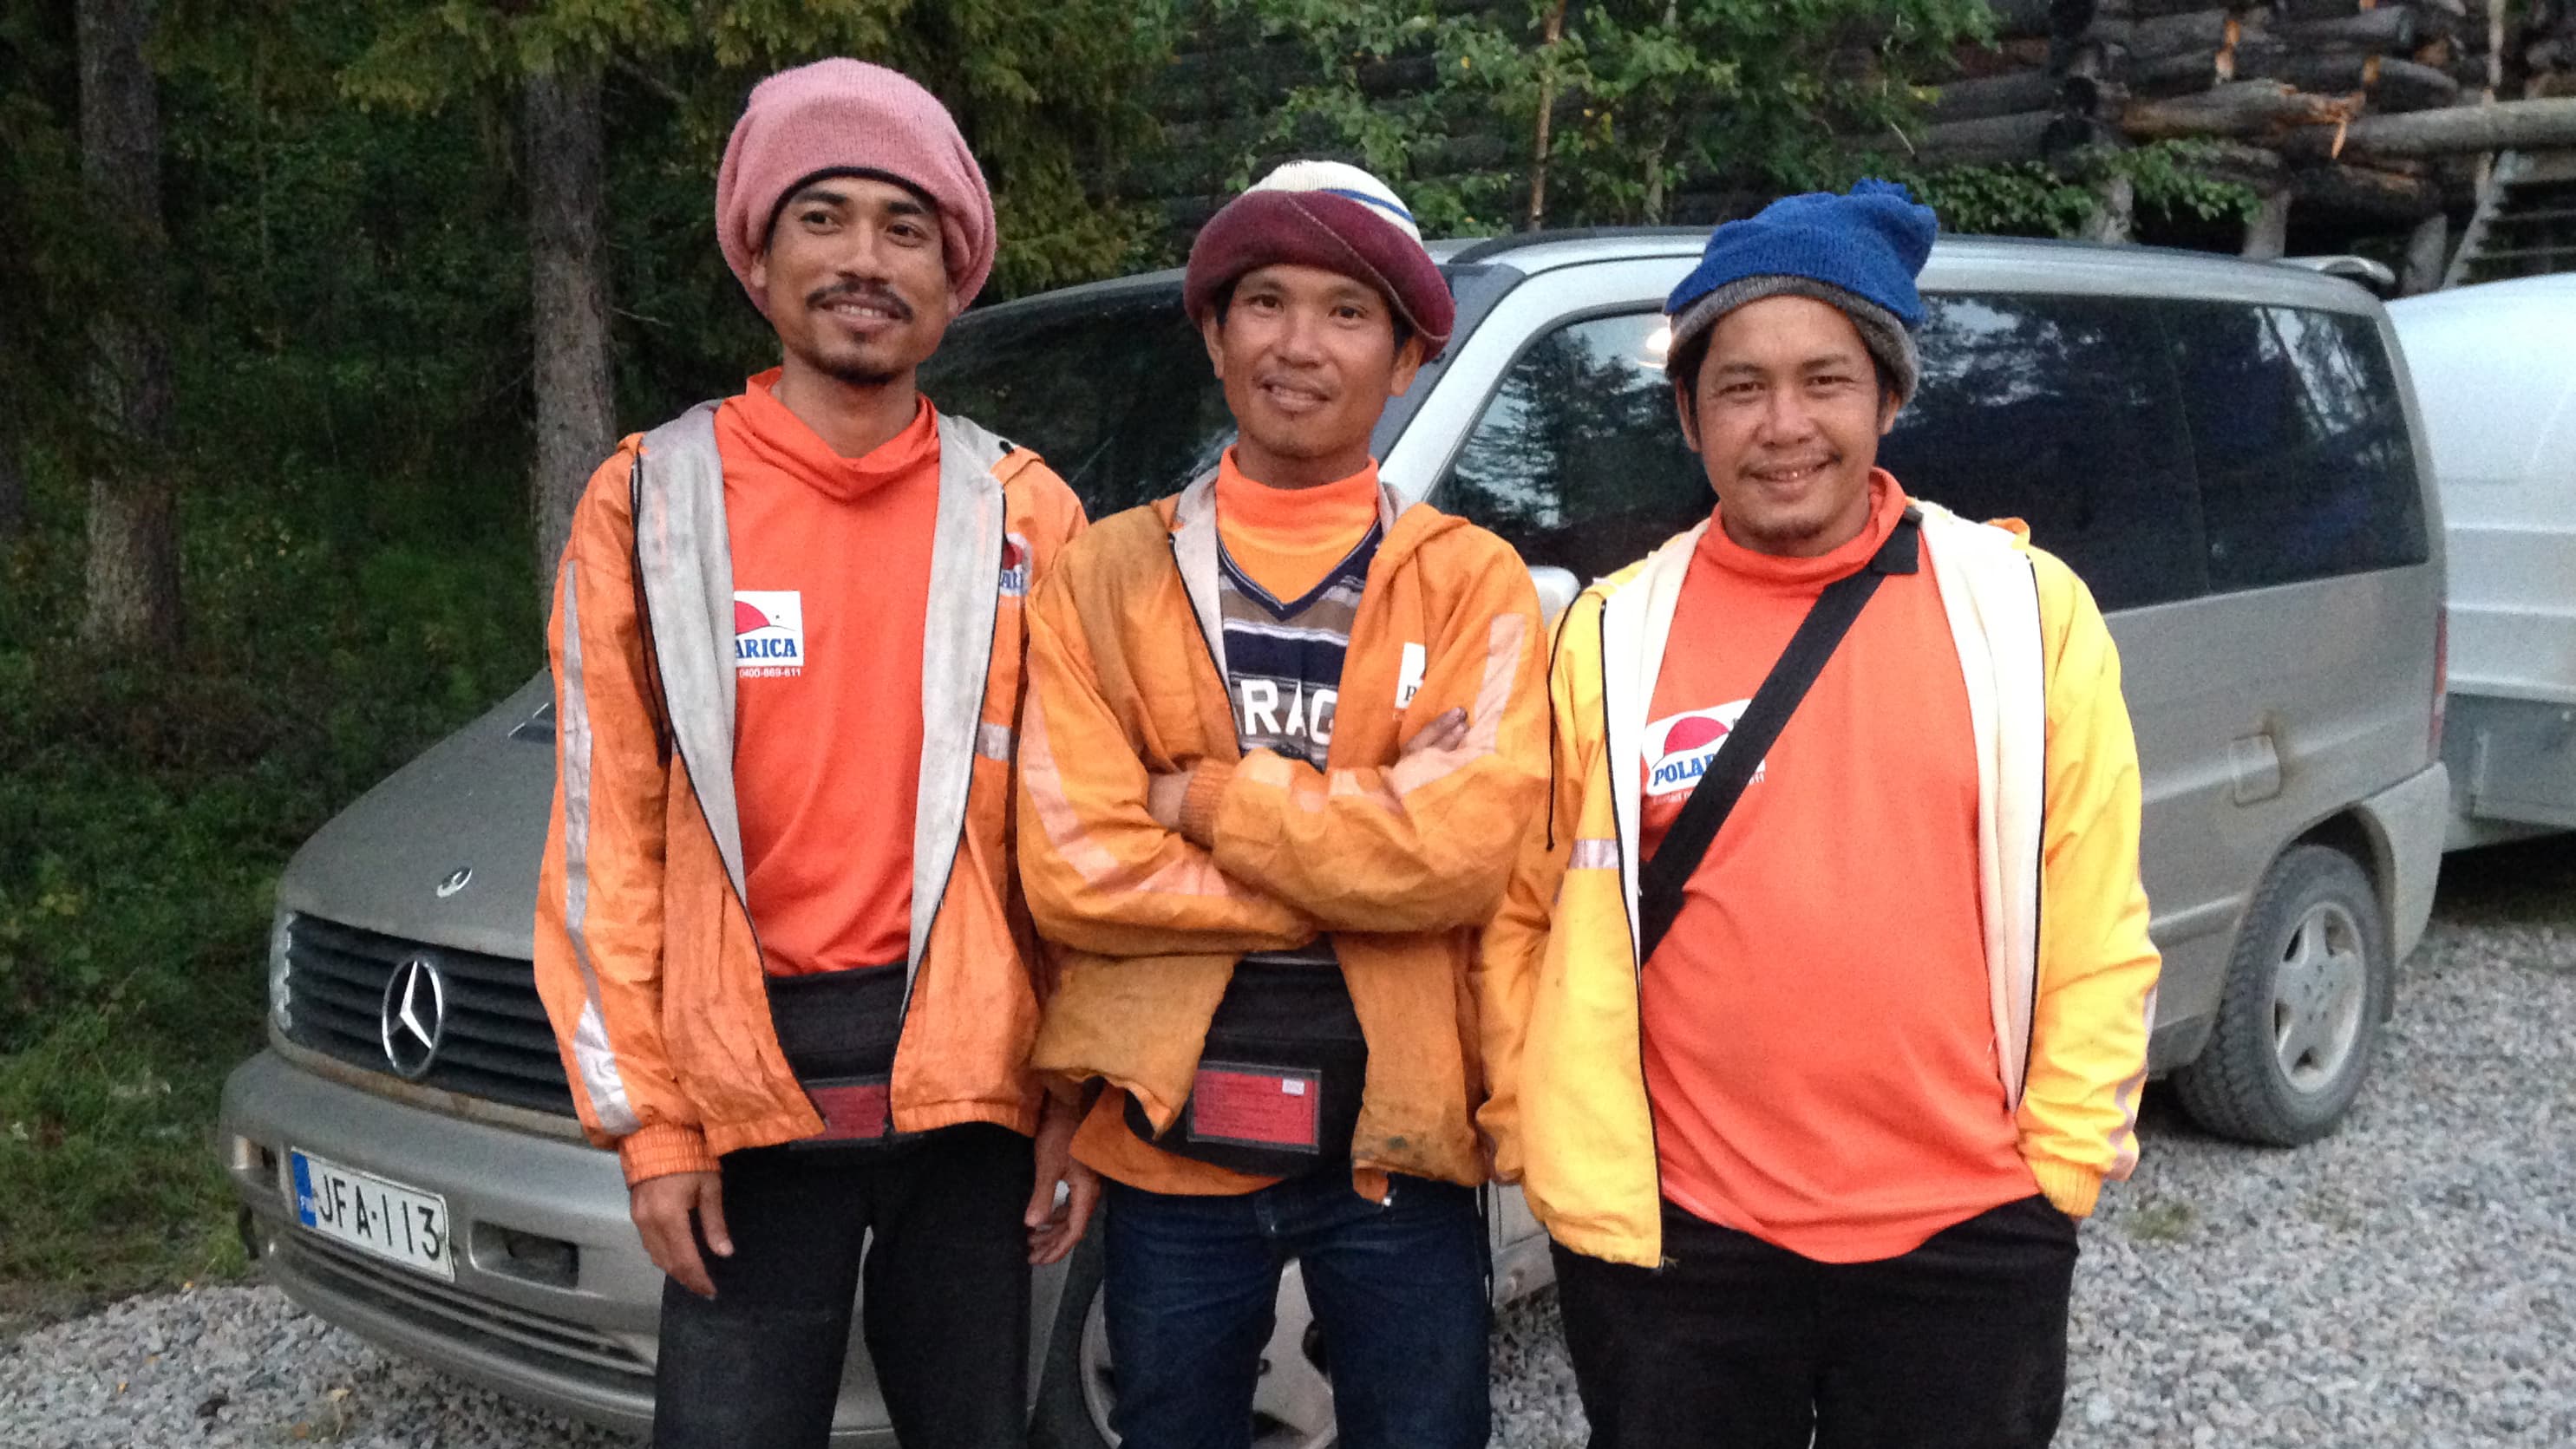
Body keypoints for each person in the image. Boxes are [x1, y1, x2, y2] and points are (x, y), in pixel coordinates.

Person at [1478, 180, 2163, 1449]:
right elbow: (1529, 915)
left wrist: (2053, 1177)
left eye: (1824, 380)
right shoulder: (1612, 635)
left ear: (1889, 397)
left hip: (1964, 1239)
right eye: (1738, 386)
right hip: (1678, 1246)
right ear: (1687, 413)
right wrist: (1543, 1136)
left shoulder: (2021, 611)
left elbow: (2096, 913)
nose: (1782, 426)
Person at [530, 58, 1095, 1449]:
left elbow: (1079, 832)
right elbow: (608, 836)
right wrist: (648, 1126)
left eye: (905, 229)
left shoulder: (1027, 515)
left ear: (953, 276)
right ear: (758, 256)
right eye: (823, 218)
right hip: (742, 1112)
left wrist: (1075, 1094)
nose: (862, 260)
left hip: (973, 1105)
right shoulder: (649, 503)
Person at [1012, 160, 1550, 1449]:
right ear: (1211, 331)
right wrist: (1355, 869)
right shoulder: (1105, 574)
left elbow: (1462, 854)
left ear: (1410, 356)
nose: (1299, 344)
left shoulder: (1471, 583)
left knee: (1423, 1432)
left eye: (1348, 312)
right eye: (1263, 302)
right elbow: (1073, 865)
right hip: (1161, 1142)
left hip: (1397, 1139)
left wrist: (1200, 798)